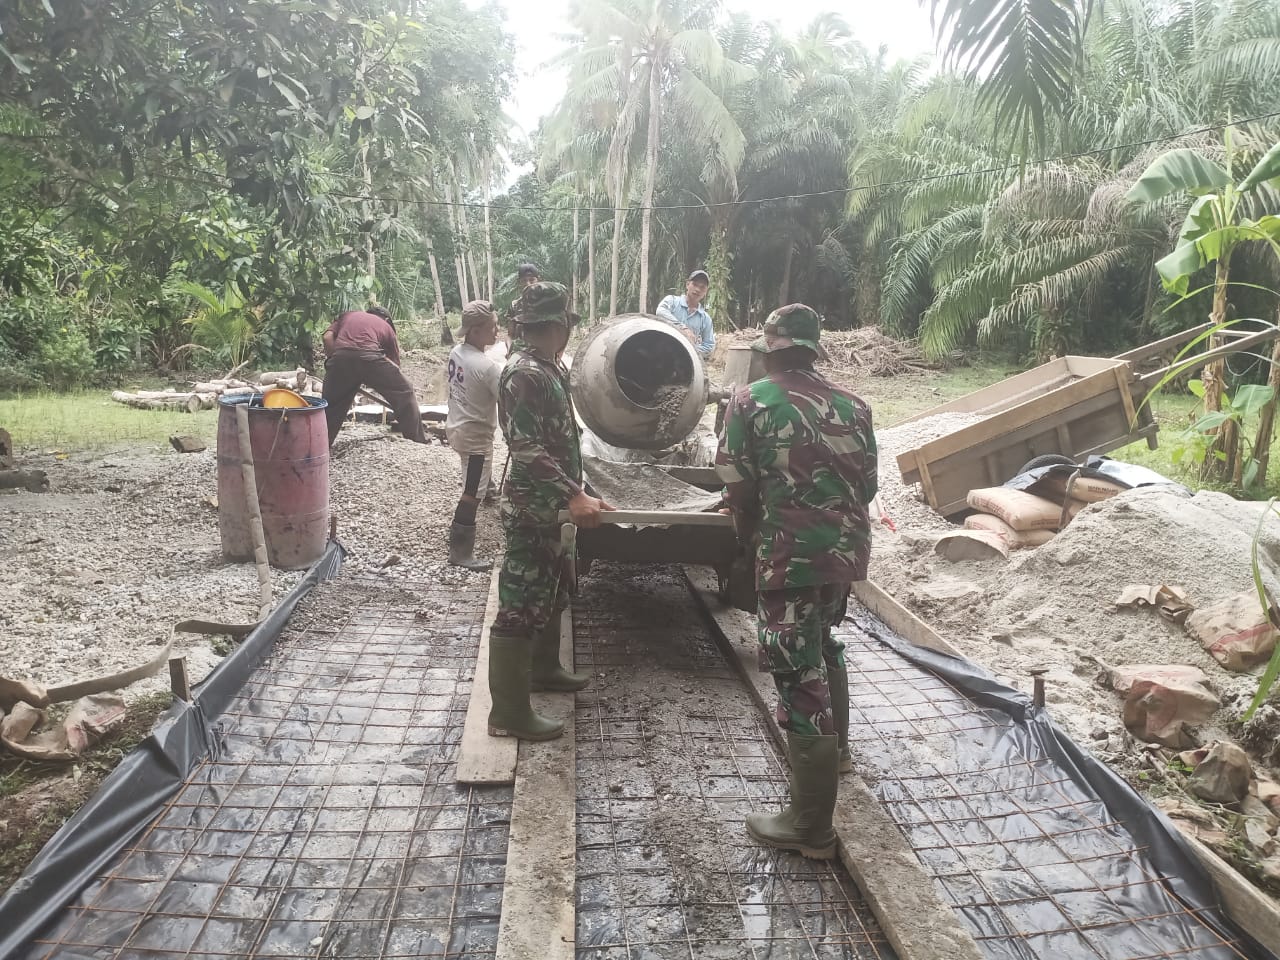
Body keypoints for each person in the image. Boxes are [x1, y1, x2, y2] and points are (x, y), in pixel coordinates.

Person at [715, 303, 877, 860]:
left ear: (771, 350)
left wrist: (749, 517)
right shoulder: (855, 406)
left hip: (789, 555)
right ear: (814, 350)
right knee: (823, 641)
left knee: (792, 663)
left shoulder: (750, 400)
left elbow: (734, 477)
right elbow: (869, 486)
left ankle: (811, 825)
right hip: (844, 553)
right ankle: (840, 755)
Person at [487, 281, 614, 741]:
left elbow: (560, 442)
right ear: (558, 325)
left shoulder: (548, 367)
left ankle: (544, 669)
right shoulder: (524, 373)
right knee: (519, 607)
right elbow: (525, 447)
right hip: (532, 509)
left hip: (554, 506)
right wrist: (572, 493)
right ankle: (507, 713)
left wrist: (579, 492)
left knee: (555, 588)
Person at [445, 300, 502, 571]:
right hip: (475, 436)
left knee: (474, 474)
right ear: (476, 331)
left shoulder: (457, 352)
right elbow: (508, 399)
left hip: (456, 425)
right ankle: (461, 552)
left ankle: (488, 486)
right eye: (492, 327)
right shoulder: (488, 367)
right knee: (471, 492)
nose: (497, 330)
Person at [321, 305, 426, 446]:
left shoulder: (348, 315)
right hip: (370, 357)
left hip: (340, 358)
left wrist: (337, 363)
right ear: (387, 319)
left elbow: (327, 338)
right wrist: (375, 378)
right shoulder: (386, 327)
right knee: (404, 391)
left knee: (331, 406)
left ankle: (319, 449)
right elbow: (394, 366)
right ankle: (416, 442)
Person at [656, 269, 715, 359]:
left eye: (702, 287)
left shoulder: (706, 319)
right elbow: (660, 311)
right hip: (661, 354)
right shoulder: (672, 301)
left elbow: (709, 346)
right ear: (687, 284)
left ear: (706, 291)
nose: (698, 289)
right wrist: (682, 327)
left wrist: (688, 349)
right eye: (695, 284)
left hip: (684, 362)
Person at [504, 263, 541, 338]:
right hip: (521, 348)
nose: (528, 284)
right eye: (524, 280)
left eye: (532, 280)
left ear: (538, 280)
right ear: (519, 282)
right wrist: (510, 348)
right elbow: (510, 336)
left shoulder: (547, 302)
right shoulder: (514, 306)